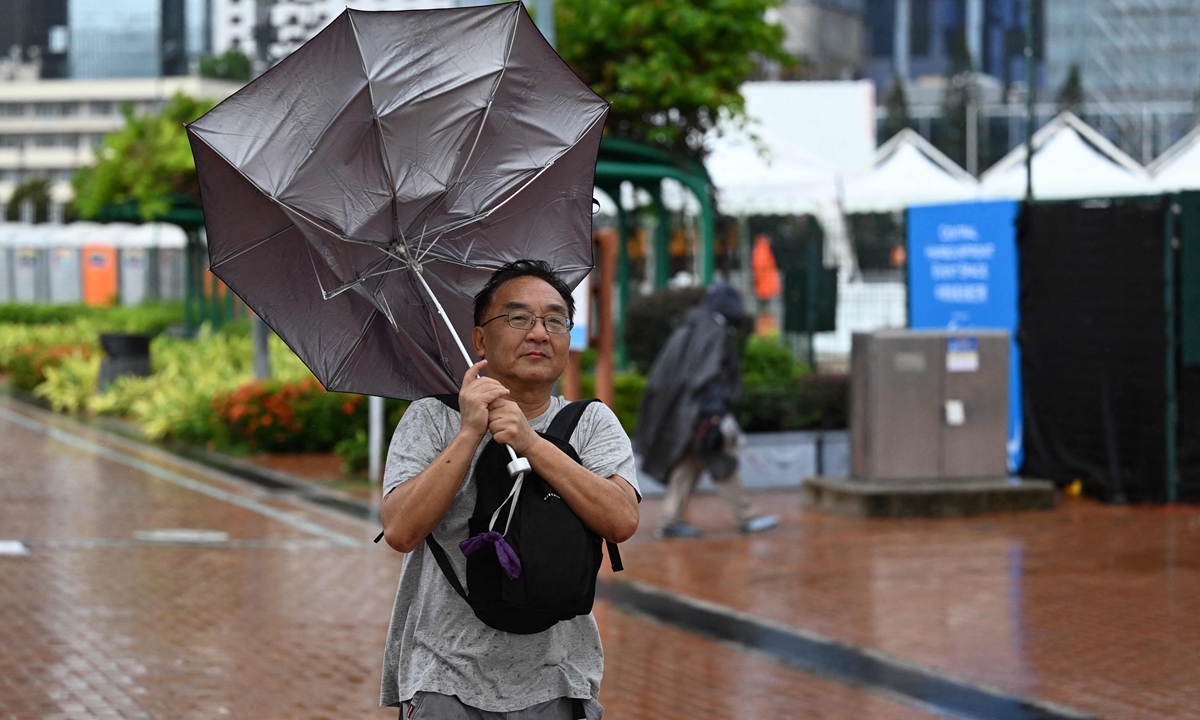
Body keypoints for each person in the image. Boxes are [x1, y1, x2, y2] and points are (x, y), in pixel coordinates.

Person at [378, 259, 640, 720]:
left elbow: (621, 520)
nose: (539, 333)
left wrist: (529, 441)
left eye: (555, 320)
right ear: (480, 338)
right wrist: (468, 432)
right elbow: (400, 530)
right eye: (518, 318)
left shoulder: (593, 423)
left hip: (557, 680)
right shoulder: (431, 419)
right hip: (443, 681)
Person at [635, 282, 778, 539]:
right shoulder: (714, 331)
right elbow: (708, 373)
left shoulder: (692, 327)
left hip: (687, 413)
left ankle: (670, 520)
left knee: (689, 463)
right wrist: (715, 412)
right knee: (720, 460)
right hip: (700, 413)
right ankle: (747, 517)